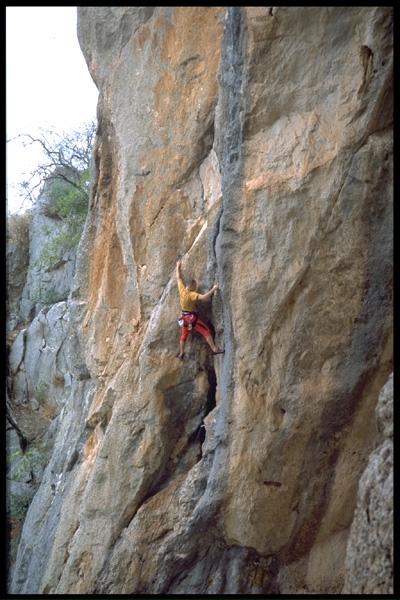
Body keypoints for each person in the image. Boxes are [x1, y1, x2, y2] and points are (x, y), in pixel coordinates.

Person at [176, 260, 224, 360]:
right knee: (206, 331)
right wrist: (214, 289)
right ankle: (214, 349)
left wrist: (178, 266)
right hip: (191, 318)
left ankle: (181, 353)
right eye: (195, 286)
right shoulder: (192, 294)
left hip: (183, 318)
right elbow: (204, 297)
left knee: (184, 335)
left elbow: (178, 278)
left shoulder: (182, 290)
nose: (195, 288)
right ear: (192, 286)